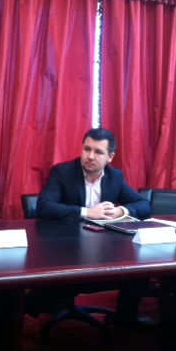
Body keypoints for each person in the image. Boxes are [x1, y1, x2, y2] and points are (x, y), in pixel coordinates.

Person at [27, 127, 154, 331]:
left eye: (98, 152)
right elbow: (44, 206)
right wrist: (87, 212)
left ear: (110, 157)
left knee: (139, 270)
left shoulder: (114, 176)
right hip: (65, 246)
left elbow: (144, 205)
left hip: (101, 246)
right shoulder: (63, 172)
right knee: (58, 282)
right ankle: (18, 313)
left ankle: (126, 322)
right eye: (87, 149)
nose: (90, 156)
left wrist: (120, 210)